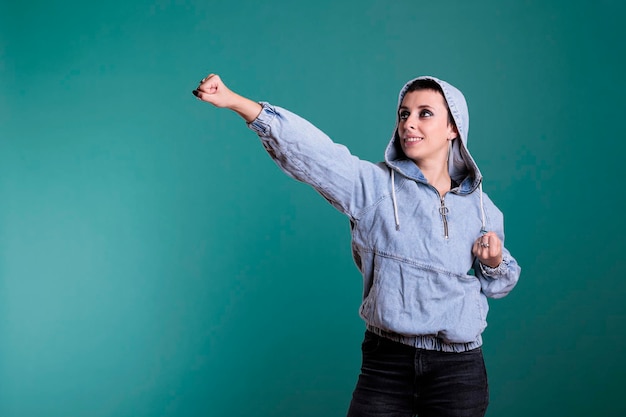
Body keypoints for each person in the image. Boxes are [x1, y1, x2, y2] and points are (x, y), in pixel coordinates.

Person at [192, 73, 521, 417]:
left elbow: (499, 285)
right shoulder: (372, 186)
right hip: (388, 362)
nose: (409, 123)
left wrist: (494, 261)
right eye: (404, 114)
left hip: (459, 371)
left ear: (454, 128)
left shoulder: (481, 207)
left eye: (425, 113)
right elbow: (314, 154)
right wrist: (236, 102)